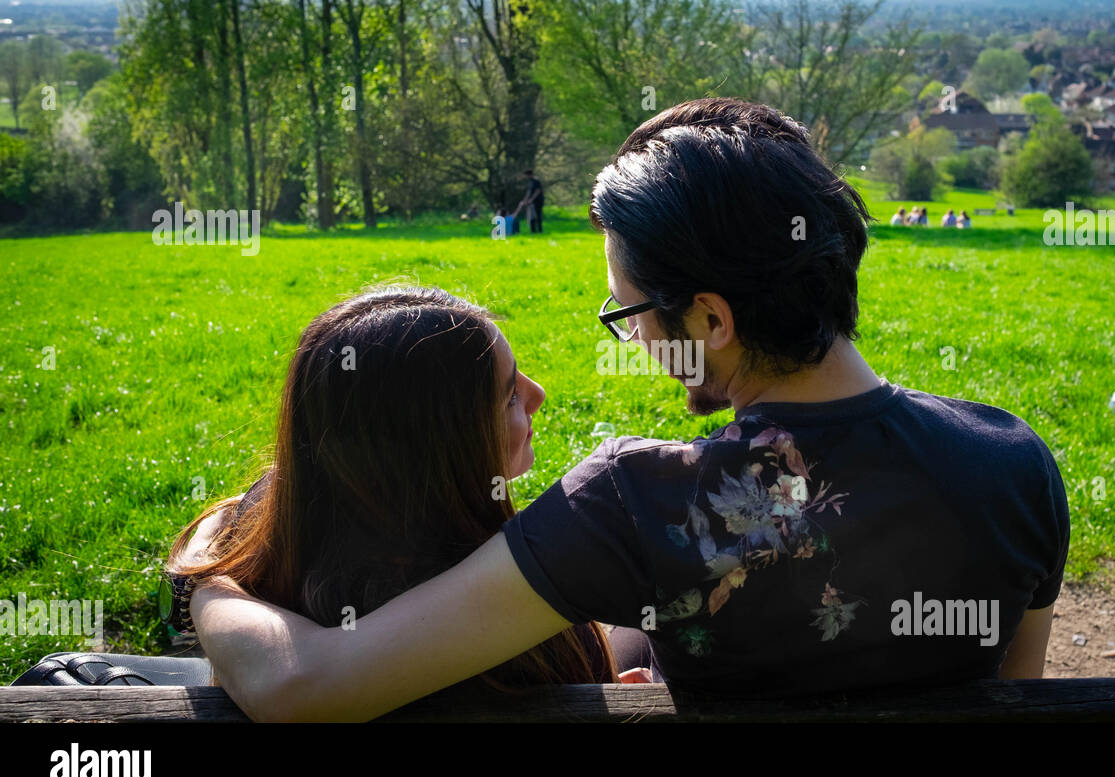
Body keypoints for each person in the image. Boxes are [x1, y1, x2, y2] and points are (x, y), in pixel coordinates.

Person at [186, 98, 1069, 722]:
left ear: (711, 318)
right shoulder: (1014, 463)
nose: (633, 341)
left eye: (631, 313)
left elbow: (304, 688)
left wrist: (214, 575)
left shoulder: (637, 503)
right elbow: (1017, 697)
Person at [168, 287, 629, 694]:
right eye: (509, 394)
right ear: (439, 444)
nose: (538, 394)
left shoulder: (271, 552)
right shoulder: (531, 624)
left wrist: (206, 572)